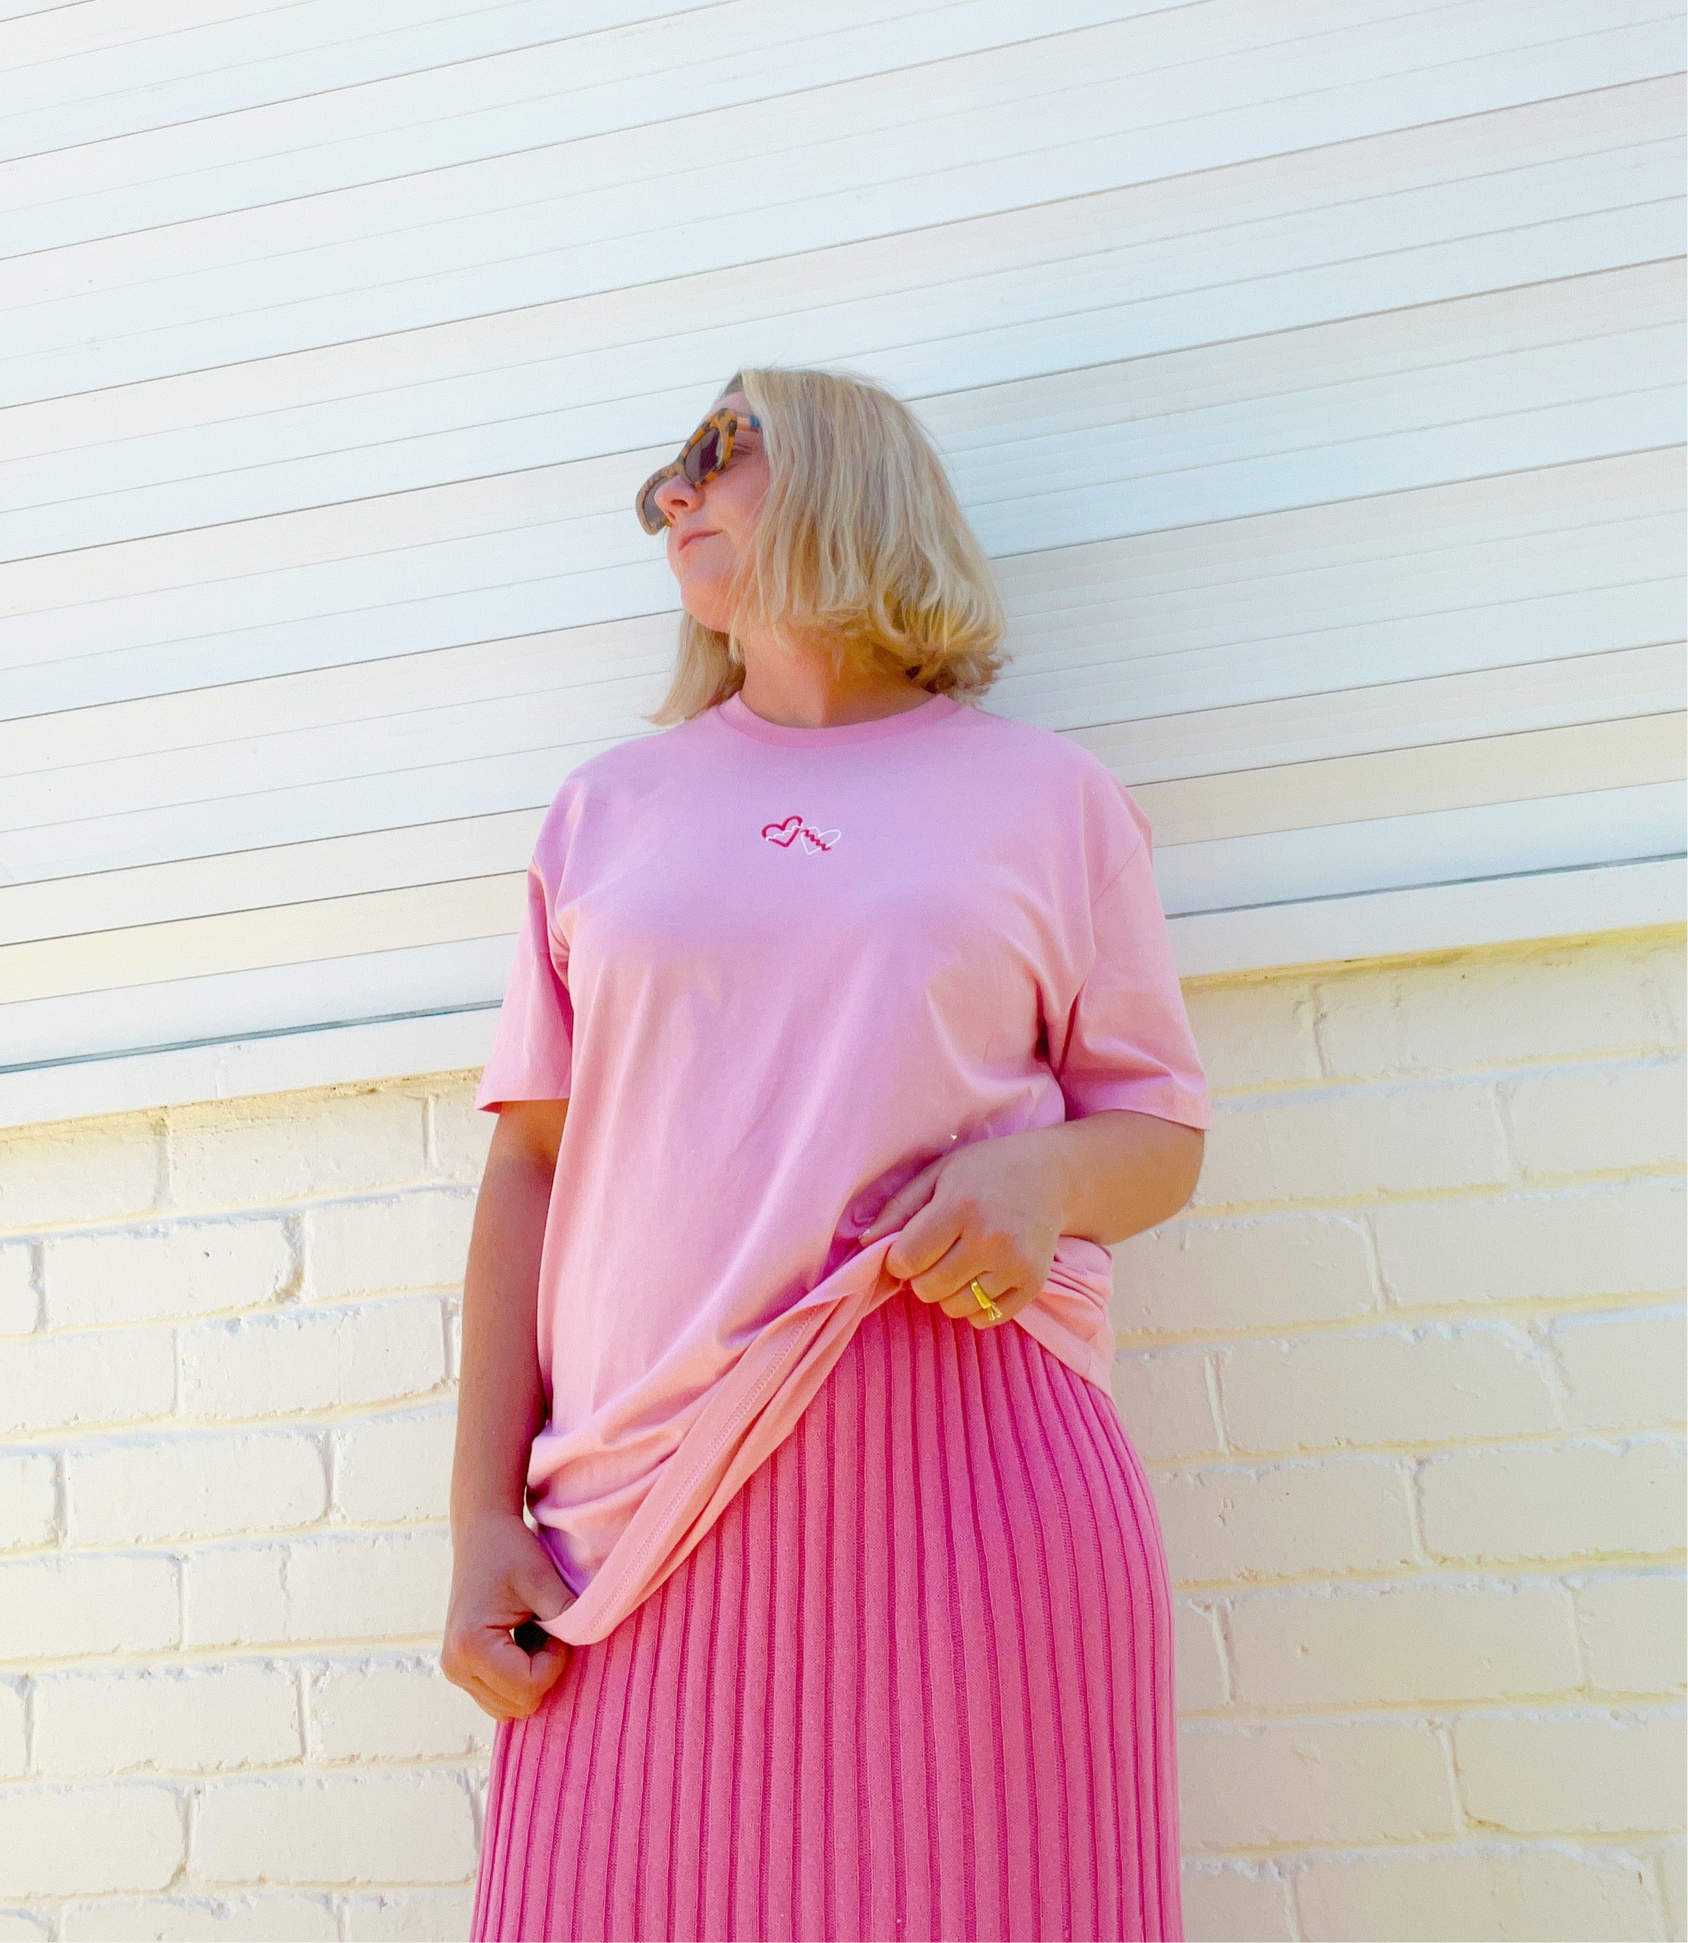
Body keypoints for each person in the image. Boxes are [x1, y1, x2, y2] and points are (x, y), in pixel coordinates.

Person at [445, 364, 1211, 1942]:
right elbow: (527, 1165)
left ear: (851, 479)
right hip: (632, 1498)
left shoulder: (1048, 799)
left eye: (716, 455)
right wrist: (475, 1522)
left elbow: (1158, 1134)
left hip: (975, 1480)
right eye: (665, 475)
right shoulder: (606, 810)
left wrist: (1041, 1176)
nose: (673, 496)